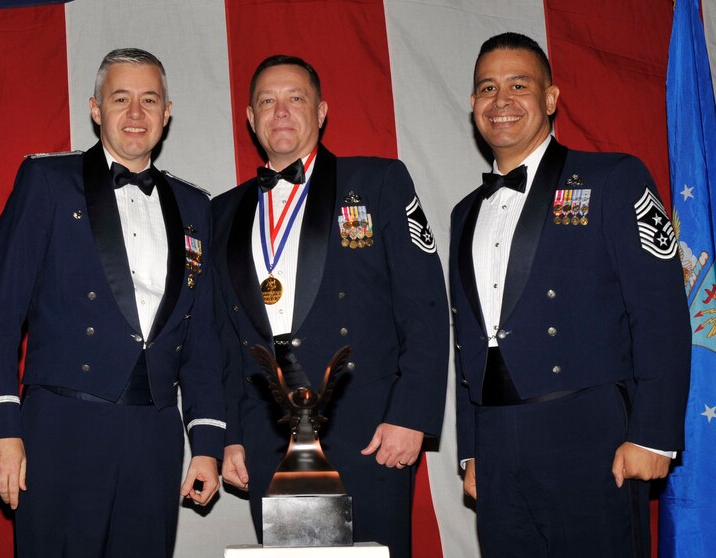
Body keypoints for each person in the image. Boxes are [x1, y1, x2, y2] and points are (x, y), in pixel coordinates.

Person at [0, 48, 225, 558]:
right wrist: (0, 429)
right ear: (95, 109)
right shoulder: (46, 181)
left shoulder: (196, 206)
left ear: (167, 111)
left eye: (149, 100)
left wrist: (208, 446)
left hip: (154, 435)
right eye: (121, 99)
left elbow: (202, 340)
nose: (136, 114)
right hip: (63, 429)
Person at [450, 32, 690, 557]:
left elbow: (661, 312)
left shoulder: (614, 178)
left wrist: (653, 434)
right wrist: (471, 451)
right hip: (496, 437)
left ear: (552, 98)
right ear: (473, 105)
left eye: (519, 85)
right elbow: (466, 344)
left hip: (589, 432)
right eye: (487, 88)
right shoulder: (463, 212)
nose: (501, 100)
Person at [212, 54, 449, 557]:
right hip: (267, 436)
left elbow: (424, 306)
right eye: (266, 102)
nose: (280, 112)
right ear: (250, 119)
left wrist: (412, 415)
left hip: (370, 429)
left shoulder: (379, 183)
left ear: (321, 111)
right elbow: (223, 340)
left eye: (295, 98)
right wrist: (230, 436)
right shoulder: (222, 212)